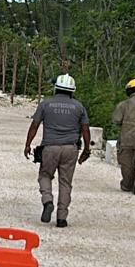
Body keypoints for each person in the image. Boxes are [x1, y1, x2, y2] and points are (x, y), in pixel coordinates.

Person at [24, 74, 91, 228]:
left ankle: (48, 200)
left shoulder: (46, 104)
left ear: (56, 88)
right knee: (65, 182)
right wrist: (87, 149)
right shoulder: (79, 107)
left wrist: (28, 144)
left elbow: (34, 125)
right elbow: (85, 129)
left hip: (50, 147)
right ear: (72, 90)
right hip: (71, 148)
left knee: (45, 175)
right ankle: (62, 218)